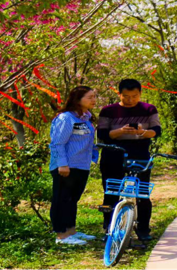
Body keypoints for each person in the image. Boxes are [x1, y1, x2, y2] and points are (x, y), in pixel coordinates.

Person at [97, 79, 161, 242]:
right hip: (113, 154)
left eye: (134, 96)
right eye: (126, 96)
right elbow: (103, 135)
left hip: (140, 154)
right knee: (111, 192)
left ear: (140, 93)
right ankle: (109, 228)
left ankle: (143, 229)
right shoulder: (108, 111)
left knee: (142, 193)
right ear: (119, 94)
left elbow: (156, 131)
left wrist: (142, 132)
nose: (131, 100)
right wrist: (120, 131)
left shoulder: (149, 109)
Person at [49, 85, 98, 246]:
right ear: (77, 99)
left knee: (72, 199)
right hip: (66, 166)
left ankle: (71, 231)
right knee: (62, 199)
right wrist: (62, 164)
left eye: (94, 97)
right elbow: (57, 143)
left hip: (82, 165)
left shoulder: (86, 118)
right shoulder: (66, 118)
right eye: (89, 97)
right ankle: (61, 235)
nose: (93, 100)